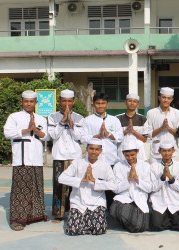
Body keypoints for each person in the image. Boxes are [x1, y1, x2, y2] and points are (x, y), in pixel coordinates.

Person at [3, 90, 50, 231]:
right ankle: (17, 219)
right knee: (20, 189)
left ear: (36, 102)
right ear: (22, 102)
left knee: (36, 187)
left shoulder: (41, 118)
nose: (29, 104)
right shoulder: (14, 117)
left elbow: (46, 136)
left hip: (36, 158)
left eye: (31, 101)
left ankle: (36, 215)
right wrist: (26, 130)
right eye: (26, 101)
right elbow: (7, 133)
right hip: (21, 158)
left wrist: (35, 130)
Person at [58, 138, 116, 236]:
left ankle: (84, 225)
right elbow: (61, 178)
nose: (94, 152)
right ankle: (86, 225)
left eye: (97, 149)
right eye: (91, 149)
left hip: (97, 202)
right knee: (72, 230)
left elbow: (113, 185)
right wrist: (81, 180)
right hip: (78, 201)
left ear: (101, 151)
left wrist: (95, 181)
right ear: (87, 149)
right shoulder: (77, 163)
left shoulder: (105, 165)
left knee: (100, 229)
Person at [80, 93, 123, 207]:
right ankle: (95, 209)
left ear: (107, 104)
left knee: (109, 187)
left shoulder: (114, 120)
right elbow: (83, 138)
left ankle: (109, 211)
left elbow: (120, 137)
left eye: (103, 103)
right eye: (98, 103)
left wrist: (108, 134)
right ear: (94, 104)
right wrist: (97, 136)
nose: (100, 106)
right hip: (94, 159)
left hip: (110, 159)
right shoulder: (87, 120)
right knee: (93, 186)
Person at [48, 89, 84, 222]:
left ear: (73, 101)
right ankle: (58, 213)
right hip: (59, 155)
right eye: (64, 101)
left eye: (69, 101)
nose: (66, 103)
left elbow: (79, 136)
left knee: (75, 185)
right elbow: (52, 135)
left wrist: (71, 121)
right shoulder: (53, 117)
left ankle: (75, 212)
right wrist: (63, 121)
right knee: (59, 185)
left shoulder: (79, 117)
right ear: (59, 101)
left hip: (75, 156)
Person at [109, 141, 153, 233]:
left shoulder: (146, 166)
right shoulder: (118, 166)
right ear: (123, 154)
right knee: (114, 209)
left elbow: (149, 188)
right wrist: (128, 179)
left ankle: (129, 223)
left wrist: (137, 179)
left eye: (132, 155)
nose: (130, 158)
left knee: (141, 226)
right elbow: (115, 189)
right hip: (124, 198)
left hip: (140, 198)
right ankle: (128, 222)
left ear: (137, 152)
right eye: (127, 155)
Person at [150, 141, 179, 231]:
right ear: (159, 151)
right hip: (159, 202)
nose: (166, 153)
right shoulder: (153, 166)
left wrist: (170, 177)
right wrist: (163, 177)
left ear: (173, 151)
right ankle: (167, 220)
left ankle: (167, 220)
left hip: (174, 202)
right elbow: (153, 187)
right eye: (164, 151)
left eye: (169, 151)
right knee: (156, 226)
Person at [146, 87, 179, 163]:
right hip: (156, 153)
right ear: (159, 98)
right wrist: (161, 128)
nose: (166, 100)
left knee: (173, 174)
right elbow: (149, 134)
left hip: (173, 153)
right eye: (164, 97)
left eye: (169, 98)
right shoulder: (151, 113)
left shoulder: (177, 113)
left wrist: (168, 128)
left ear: (172, 99)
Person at [116, 93, 148, 161]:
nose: (132, 103)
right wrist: (126, 131)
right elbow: (115, 137)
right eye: (130, 101)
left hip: (138, 151)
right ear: (125, 102)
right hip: (122, 151)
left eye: (134, 101)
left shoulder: (143, 119)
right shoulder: (117, 118)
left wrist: (133, 131)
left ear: (137, 104)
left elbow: (144, 139)